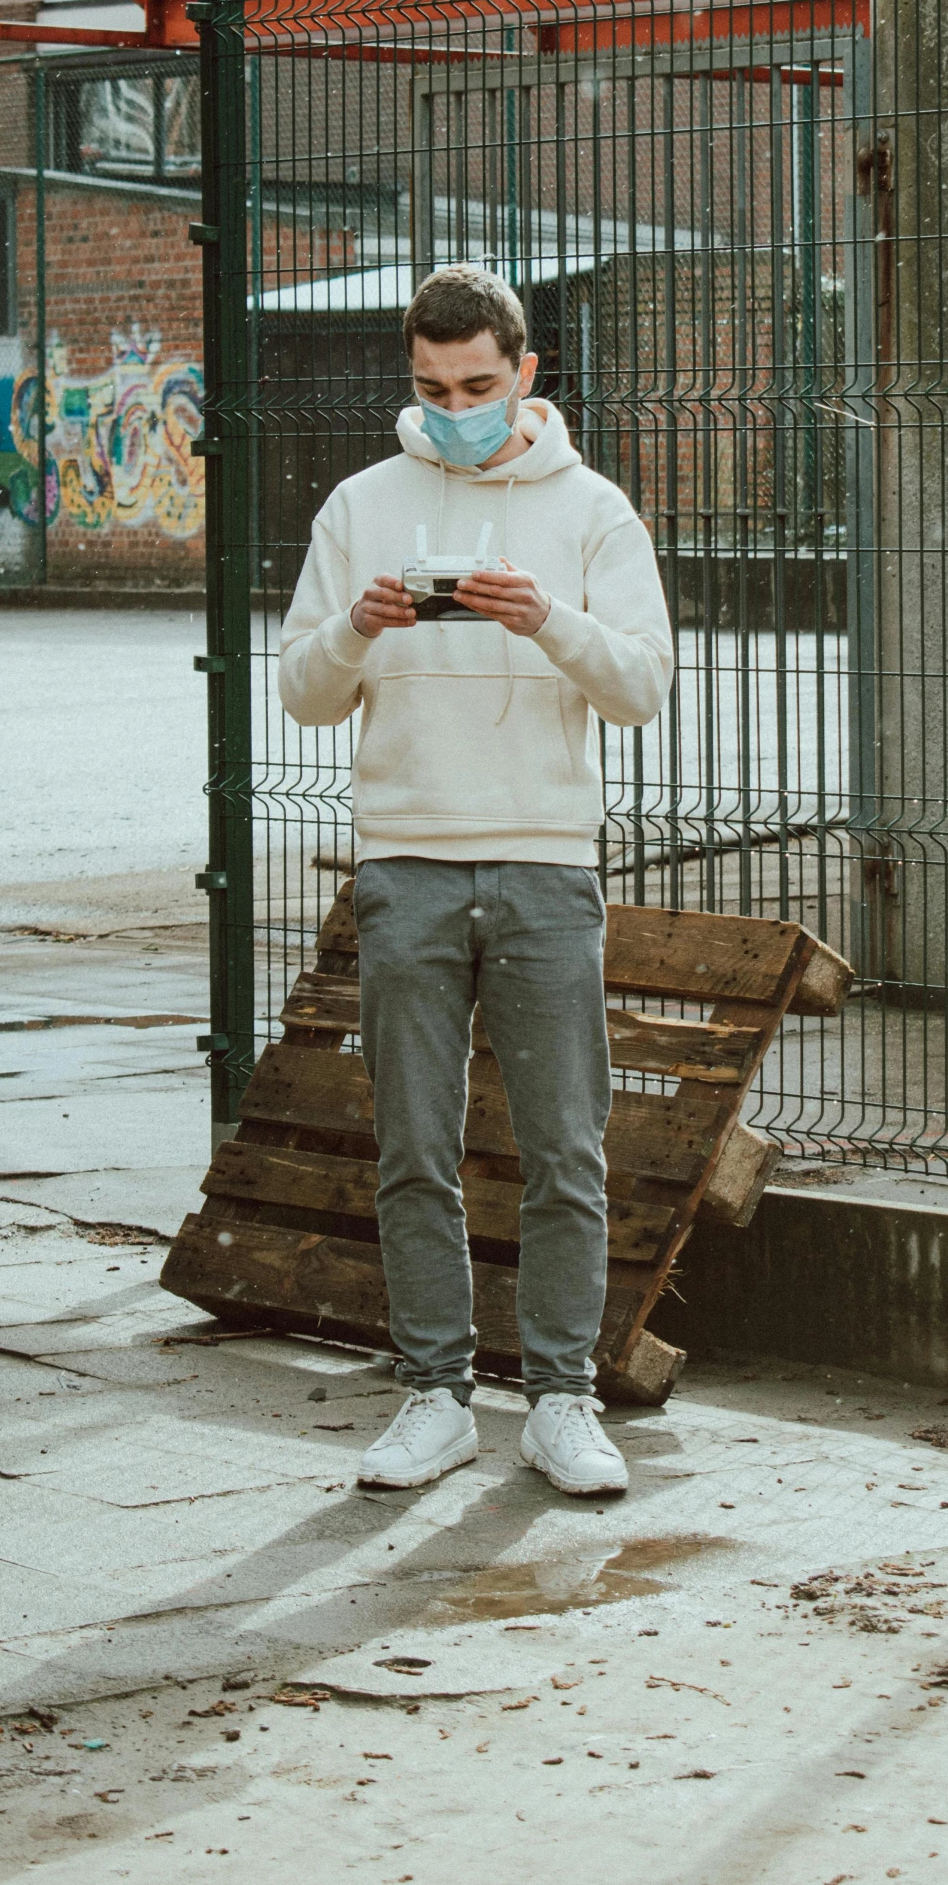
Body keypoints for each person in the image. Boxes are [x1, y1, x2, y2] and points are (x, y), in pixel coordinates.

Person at [278, 264, 671, 1498]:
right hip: (406, 857)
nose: (453, 405)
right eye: (431, 387)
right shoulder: (361, 502)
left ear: (527, 375)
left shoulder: (593, 508)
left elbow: (644, 688)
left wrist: (546, 618)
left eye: (477, 386)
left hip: (547, 860)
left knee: (564, 1144)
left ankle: (560, 1398)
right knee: (413, 1143)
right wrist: (359, 626)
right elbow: (301, 690)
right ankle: (433, 1395)